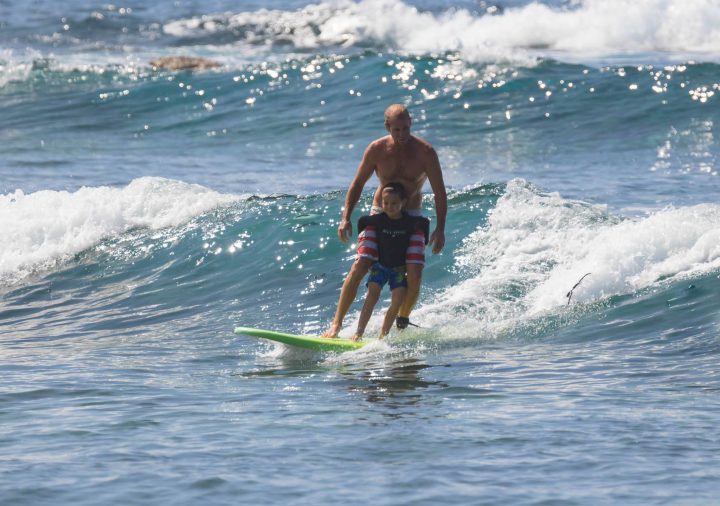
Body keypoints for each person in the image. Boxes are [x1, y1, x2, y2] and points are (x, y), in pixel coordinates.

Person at [323, 104, 447, 338]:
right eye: (396, 130)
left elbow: (440, 192)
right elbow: (358, 184)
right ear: (387, 126)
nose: (401, 135)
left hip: (411, 215)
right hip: (380, 211)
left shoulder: (425, 152)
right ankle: (336, 325)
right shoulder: (376, 149)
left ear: (411, 122)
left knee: (415, 272)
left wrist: (440, 229)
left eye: (405, 128)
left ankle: (403, 317)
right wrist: (345, 217)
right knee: (360, 264)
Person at [352, 182, 430, 340]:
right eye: (385, 203)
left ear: (404, 203)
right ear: (381, 203)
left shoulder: (409, 222)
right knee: (372, 295)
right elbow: (362, 221)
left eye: (394, 203)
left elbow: (424, 223)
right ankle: (358, 333)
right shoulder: (378, 220)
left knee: (398, 300)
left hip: (399, 270)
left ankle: (383, 336)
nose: (389, 207)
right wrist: (359, 241)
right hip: (379, 267)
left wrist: (430, 236)